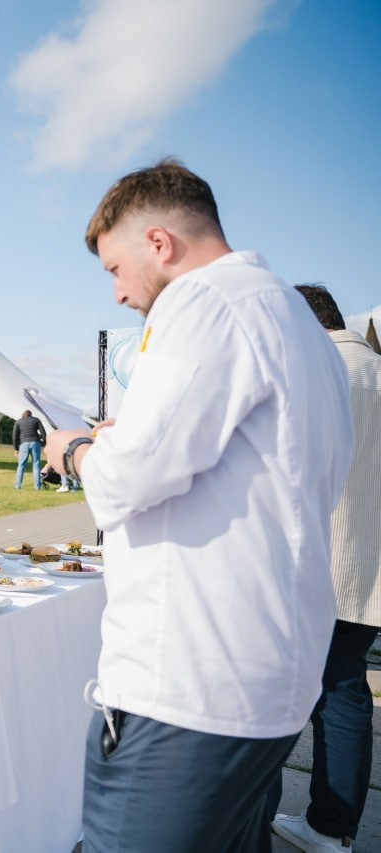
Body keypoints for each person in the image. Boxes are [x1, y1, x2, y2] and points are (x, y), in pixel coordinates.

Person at [43, 159, 353, 852]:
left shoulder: (205, 302)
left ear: (160, 243)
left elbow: (128, 479)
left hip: (189, 682)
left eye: (115, 268)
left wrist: (73, 450)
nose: (119, 294)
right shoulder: (302, 325)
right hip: (268, 677)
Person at [269, 284, 381, 852]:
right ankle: (331, 826)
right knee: (344, 689)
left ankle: (320, 824)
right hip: (371, 568)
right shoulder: (376, 368)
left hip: (322, 559)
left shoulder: (318, 373)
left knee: (299, 692)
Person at [11, 409, 45, 489]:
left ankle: (18, 485)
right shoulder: (36, 420)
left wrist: (16, 448)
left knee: (21, 465)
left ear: (23, 415)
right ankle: (37, 486)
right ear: (31, 415)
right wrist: (44, 442)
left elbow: (14, 436)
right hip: (35, 442)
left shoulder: (18, 422)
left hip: (24, 444)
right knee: (36, 464)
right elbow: (43, 432)